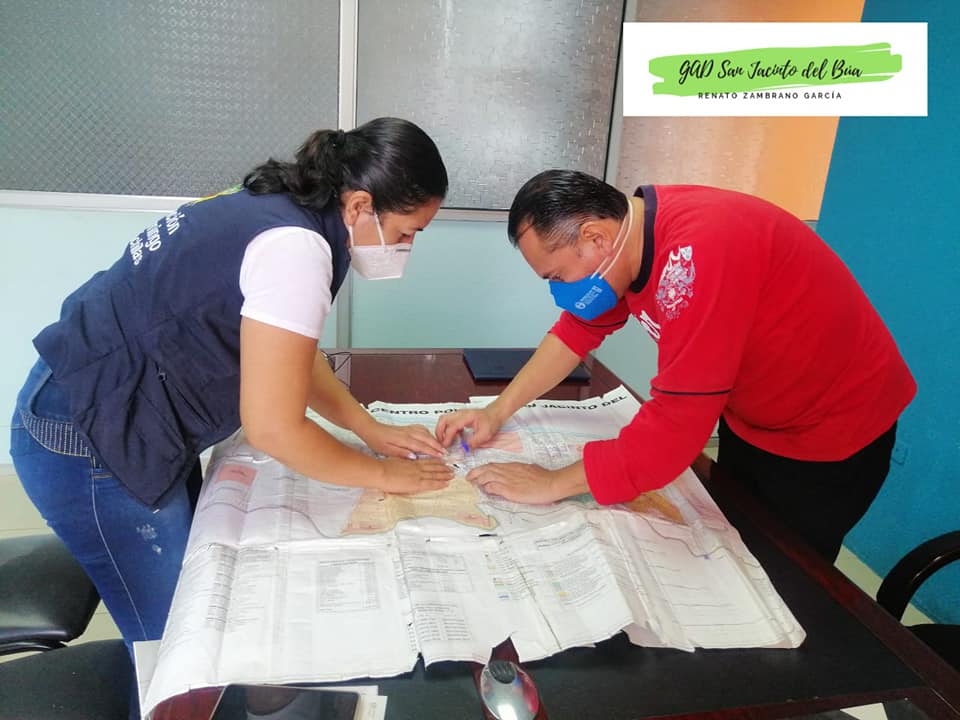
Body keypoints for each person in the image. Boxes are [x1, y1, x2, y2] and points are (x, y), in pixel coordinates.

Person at [9, 117, 453, 654]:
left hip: (111, 403)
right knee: (178, 646)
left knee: (198, 602)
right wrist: (383, 475)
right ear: (360, 205)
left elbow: (290, 355)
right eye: (406, 233)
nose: (407, 247)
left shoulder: (287, 208)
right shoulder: (295, 247)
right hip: (89, 435)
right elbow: (272, 429)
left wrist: (367, 427)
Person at [436, 170, 915, 563]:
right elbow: (574, 333)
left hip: (833, 431)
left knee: (788, 571)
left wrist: (552, 483)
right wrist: (496, 411)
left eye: (558, 275)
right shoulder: (629, 243)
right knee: (736, 541)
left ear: (595, 236)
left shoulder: (698, 252)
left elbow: (676, 427)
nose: (558, 290)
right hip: (754, 418)